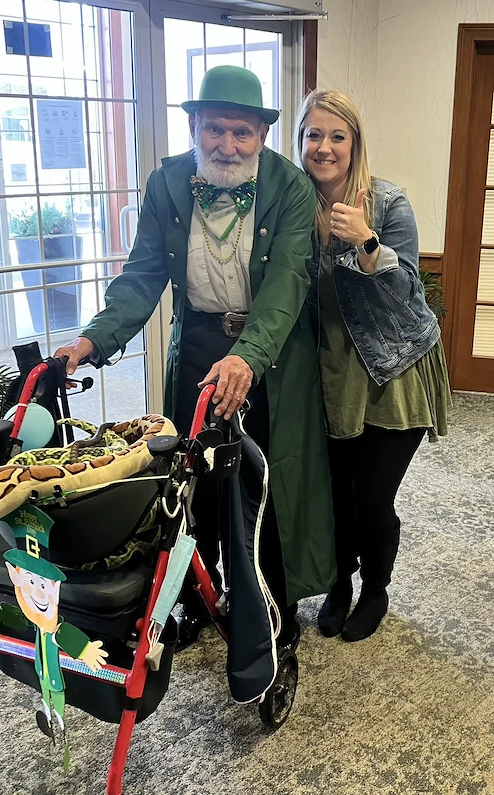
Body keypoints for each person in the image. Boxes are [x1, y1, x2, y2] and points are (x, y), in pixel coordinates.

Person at [55, 65, 336, 651]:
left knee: (266, 482)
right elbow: (141, 276)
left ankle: (271, 613)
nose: (226, 145)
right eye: (215, 130)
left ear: (261, 134)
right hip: (200, 346)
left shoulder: (289, 186)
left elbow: (287, 284)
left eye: (241, 132)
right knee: (192, 481)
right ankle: (198, 599)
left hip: (273, 353)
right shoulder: (168, 182)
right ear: (193, 127)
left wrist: (248, 358)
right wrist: (92, 341)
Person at [294, 89, 451, 642]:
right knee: (334, 492)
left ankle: (376, 588)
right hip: (328, 373)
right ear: (301, 141)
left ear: (355, 143)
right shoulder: (293, 206)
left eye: (338, 135)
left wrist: (367, 243)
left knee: (372, 498)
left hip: (393, 368)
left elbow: (409, 294)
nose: (325, 147)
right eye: (315, 134)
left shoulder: (387, 204)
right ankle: (339, 585)